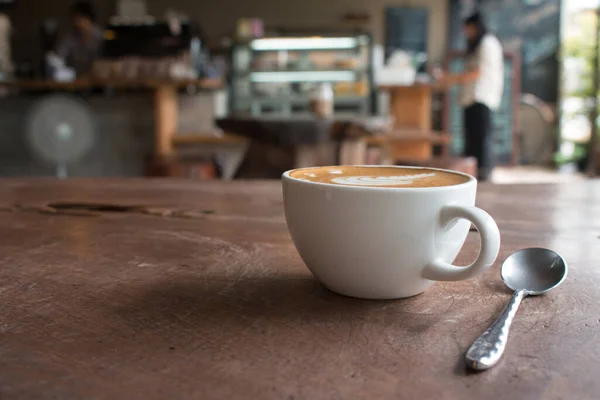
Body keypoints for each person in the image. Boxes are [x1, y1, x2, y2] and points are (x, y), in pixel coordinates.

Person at [437, 12, 504, 181]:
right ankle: (473, 173)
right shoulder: (479, 44)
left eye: (468, 28)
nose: (466, 32)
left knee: (480, 138)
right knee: (472, 137)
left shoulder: (488, 43)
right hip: (472, 97)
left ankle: (482, 173)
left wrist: (451, 78)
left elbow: (476, 72)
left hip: (481, 96)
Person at [57, 1, 103, 77]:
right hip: (75, 82)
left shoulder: (102, 37)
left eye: (80, 19)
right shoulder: (70, 38)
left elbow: (105, 64)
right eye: (75, 19)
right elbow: (59, 57)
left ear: (89, 19)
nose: (77, 23)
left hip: (99, 82)